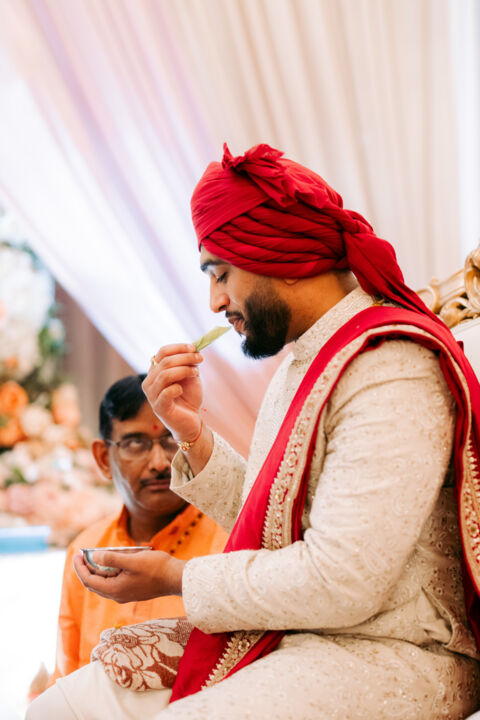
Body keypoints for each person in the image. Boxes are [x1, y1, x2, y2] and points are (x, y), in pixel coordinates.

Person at [28, 143, 480, 720]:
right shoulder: (306, 361)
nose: (215, 301)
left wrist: (175, 577)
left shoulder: (389, 365)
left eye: (220, 273)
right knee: (61, 708)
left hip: (397, 649)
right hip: (310, 631)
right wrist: (191, 435)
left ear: (278, 253)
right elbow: (277, 526)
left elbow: (342, 579)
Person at [48, 374, 227, 683]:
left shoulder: (229, 538)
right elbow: (68, 675)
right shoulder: (87, 550)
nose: (159, 463)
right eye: (135, 443)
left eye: (171, 439)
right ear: (103, 459)